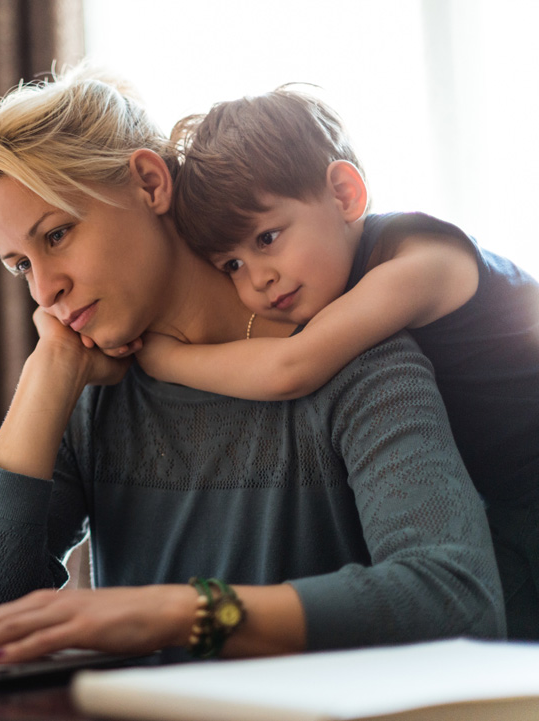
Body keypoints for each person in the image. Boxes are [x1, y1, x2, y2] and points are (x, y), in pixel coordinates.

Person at [0, 65, 504, 665]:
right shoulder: (91, 391)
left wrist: (184, 614)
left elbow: (458, 600)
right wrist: (46, 371)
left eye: (55, 236)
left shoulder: (358, 359)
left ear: (150, 183)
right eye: (21, 265)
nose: (45, 291)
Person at [139, 86, 539, 639]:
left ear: (346, 195)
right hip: (499, 496)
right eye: (231, 263)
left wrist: (164, 357)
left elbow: (290, 368)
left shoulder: (420, 262)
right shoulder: (334, 283)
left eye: (268, 238)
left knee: (477, 638)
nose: (257, 279)